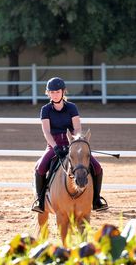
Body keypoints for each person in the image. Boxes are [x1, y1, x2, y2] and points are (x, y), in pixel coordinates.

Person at [31, 77, 108, 213]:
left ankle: (96, 200)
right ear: (48, 93)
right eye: (52, 92)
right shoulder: (45, 110)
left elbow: (77, 128)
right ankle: (40, 201)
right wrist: (55, 147)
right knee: (40, 168)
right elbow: (46, 132)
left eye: (57, 92)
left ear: (63, 92)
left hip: (72, 144)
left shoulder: (72, 107)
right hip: (53, 145)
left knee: (97, 167)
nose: (55, 94)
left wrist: (74, 142)